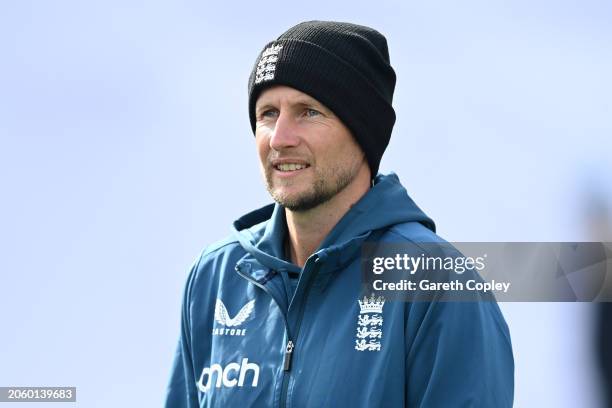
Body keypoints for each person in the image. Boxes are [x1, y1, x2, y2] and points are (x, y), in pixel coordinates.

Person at [164, 20, 514, 407]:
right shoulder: (216, 275)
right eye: (267, 113)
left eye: (308, 112)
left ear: (363, 131)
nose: (280, 138)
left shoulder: (436, 282)